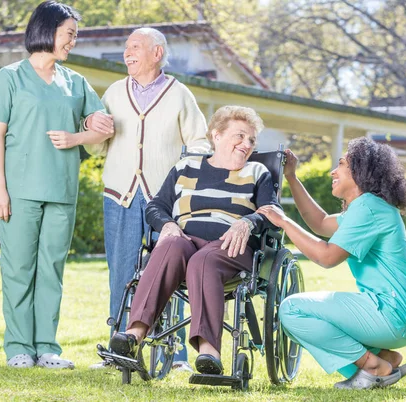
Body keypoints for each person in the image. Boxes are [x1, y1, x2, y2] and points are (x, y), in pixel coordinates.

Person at [0, 1, 112, 369]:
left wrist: (75, 139)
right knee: (18, 269)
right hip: (19, 191)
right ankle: (18, 347)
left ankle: (47, 347)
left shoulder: (76, 82)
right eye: (69, 34)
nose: (73, 41)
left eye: (75, 36)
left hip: (62, 190)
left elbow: (104, 128)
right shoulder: (9, 78)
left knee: (51, 270)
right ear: (48, 30)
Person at [107, 106, 278, 375]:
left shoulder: (257, 172)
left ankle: (209, 353)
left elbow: (271, 211)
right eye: (240, 136)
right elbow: (156, 207)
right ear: (216, 135)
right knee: (170, 246)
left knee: (204, 259)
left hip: (230, 248)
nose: (247, 144)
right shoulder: (185, 167)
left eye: (252, 140)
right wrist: (168, 225)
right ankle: (133, 335)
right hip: (186, 239)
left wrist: (247, 222)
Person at [84, 27, 209, 370]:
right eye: (126, 47)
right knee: (121, 272)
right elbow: (96, 146)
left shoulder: (179, 93)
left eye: (135, 46)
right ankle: (118, 351)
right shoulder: (113, 91)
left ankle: (175, 354)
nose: (127, 52)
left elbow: (200, 144)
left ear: (157, 53)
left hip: (166, 202)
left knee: (171, 271)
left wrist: (183, 176)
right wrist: (92, 126)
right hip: (119, 194)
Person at [257, 137, 406, 390]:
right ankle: (383, 360)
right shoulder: (368, 207)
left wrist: (283, 222)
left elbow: (326, 257)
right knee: (296, 321)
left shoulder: (369, 207)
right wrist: (291, 177)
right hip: (398, 313)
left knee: (292, 310)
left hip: (391, 313)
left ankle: (372, 365)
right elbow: (321, 223)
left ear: (360, 171)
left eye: (341, 164)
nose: (332, 172)